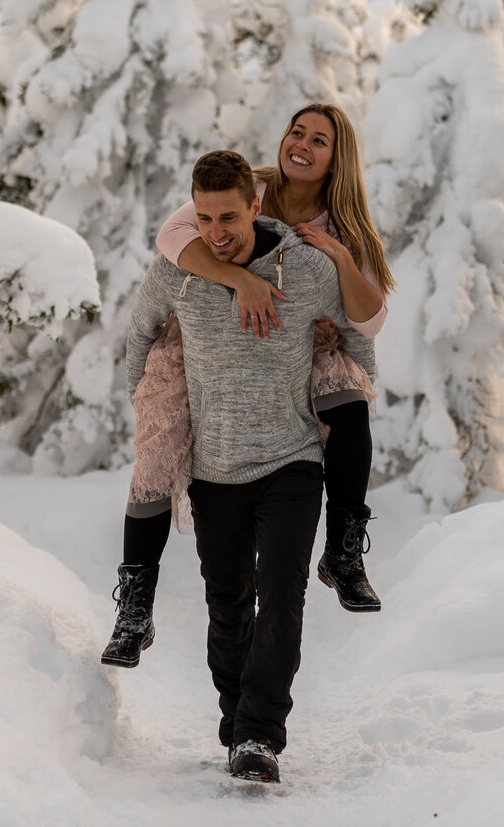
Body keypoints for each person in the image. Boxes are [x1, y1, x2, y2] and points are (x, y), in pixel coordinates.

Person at [101, 104, 395, 673]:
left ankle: (343, 545)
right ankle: (136, 604)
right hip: (206, 344)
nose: (303, 145)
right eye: (297, 132)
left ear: (339, 159)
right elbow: (172, 236)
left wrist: (335, 254)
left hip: (300, 348)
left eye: (320, 140)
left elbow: (369, 321)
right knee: (157, 454)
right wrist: (240, 279)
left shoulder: (345, 226)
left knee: (347, 395)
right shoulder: (247, 185)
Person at [123, 150, 376, 783]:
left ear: (255, 206)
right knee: (228, 605)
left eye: (229, 217)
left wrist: (356, 382)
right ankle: (236, 721)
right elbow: (140, 330)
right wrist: (147, 401)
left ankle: (261, 734)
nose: (218, 232)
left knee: (281, 600)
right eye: (205, 219)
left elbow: (358, 327)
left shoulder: (306, 268)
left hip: (292, 463)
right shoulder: (180, 273)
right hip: (215, 468)